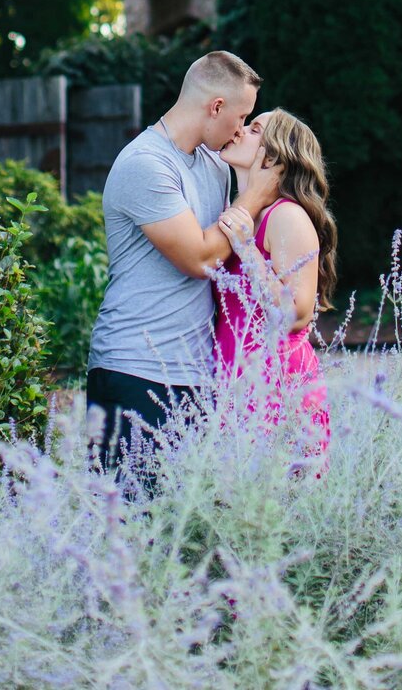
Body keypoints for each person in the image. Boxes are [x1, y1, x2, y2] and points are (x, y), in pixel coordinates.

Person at [86, 49, 278, 462]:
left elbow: (231, 243)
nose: (240, 128)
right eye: (242, 117)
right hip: (134, 369)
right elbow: (200, 259)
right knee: (128, 520)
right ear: (216, 106)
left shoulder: (214, 162)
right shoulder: (146, 164)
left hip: (194, 372)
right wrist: (256, 196)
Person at [213, 107, 336, 454]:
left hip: (279, 388)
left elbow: (297, 314)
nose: (238, 131)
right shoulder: (245, 214)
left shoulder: (286, 216)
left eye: (253, 129)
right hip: (236, 385)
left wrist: (246, 248)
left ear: (274, 158)